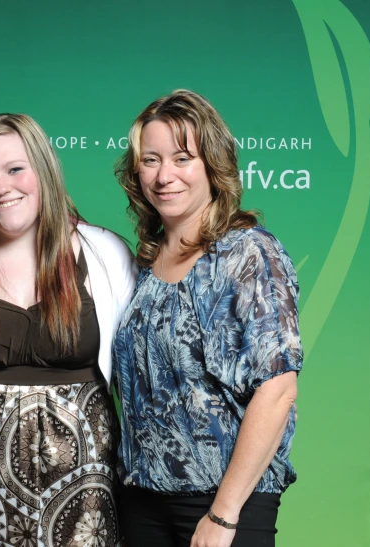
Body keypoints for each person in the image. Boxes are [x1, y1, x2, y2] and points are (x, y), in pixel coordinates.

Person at [0, 113, 138, 547]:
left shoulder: (104, 254)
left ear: (45, 171)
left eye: (16, 169)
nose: (2, 188)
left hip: (84, 496)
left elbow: (140, 381)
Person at [113, 89, 302, 547]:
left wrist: (223, 514)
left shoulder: (248, 253)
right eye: (151, 160)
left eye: (182, 158)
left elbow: (277, 390)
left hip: (222, 500)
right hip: (141, 497)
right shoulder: (146, 265)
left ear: (212, 166)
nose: (164, 175)